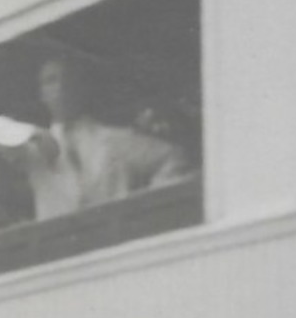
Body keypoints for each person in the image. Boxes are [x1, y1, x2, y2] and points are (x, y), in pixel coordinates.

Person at [13, 50, 193, 221]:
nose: (60, 86)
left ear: (81, 87)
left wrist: (147, 209)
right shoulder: (31, 150)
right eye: (50, 80)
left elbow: (173, 156)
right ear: (42, 94)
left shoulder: (115, 140)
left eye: (68, 79)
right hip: (58, 247)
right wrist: (27, 134)